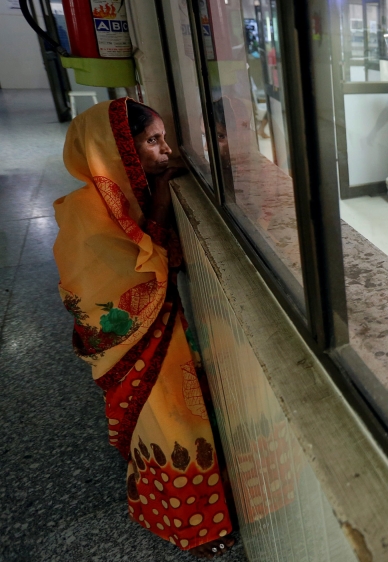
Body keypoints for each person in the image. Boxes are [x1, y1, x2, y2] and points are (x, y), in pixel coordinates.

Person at [53, 99, 235, 558]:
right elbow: (128, 276)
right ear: (117, 150)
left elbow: (159, 256)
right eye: (152, 142)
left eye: (162, 139)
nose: (165, 150)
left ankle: (195, 511)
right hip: (136, 341)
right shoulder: (88, 212)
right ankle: (195, 528)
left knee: (179, 417)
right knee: (172, 423)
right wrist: (158, 202)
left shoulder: (126, 194)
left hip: (163, 327)